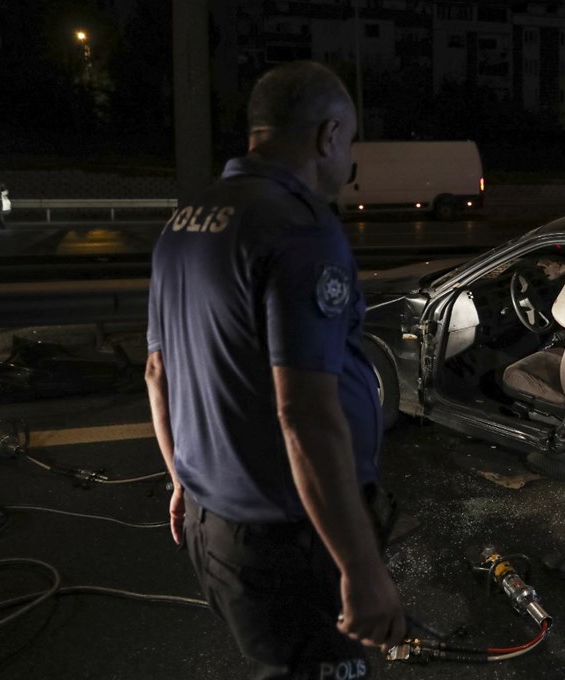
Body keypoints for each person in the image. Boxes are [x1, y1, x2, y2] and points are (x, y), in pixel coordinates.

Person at [144, 61, 404, 679]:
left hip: (215, 529)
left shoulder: (187, 221)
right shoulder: (301, 230)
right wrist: (363, 573)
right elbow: (306, 414)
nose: (349, 164)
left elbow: (158, 372)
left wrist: (181, 480)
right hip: (286, 540)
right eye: (351, 143)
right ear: (328, 136)